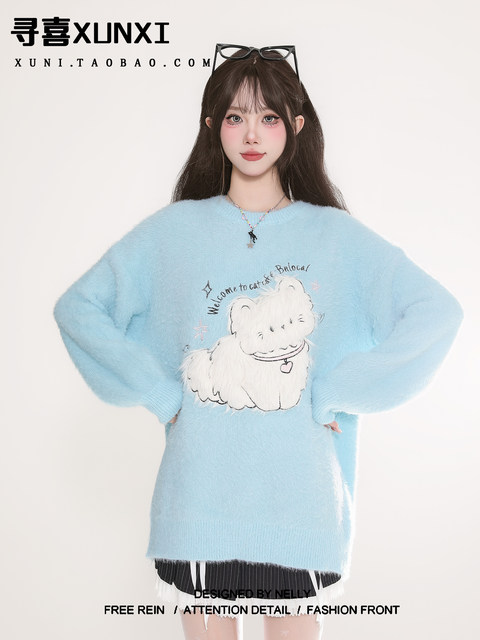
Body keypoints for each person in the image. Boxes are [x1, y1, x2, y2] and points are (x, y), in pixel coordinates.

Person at [53, 44, 464, 640]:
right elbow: (79, 309)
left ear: (295, 126)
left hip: (302, 507)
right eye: (235, 116)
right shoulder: (173, 232)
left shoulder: (337, 237)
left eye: (269, 117)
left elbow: (437, 312)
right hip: (198, 502)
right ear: (212, 125)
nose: (252, 133)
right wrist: (161, 394)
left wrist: (339, 389)